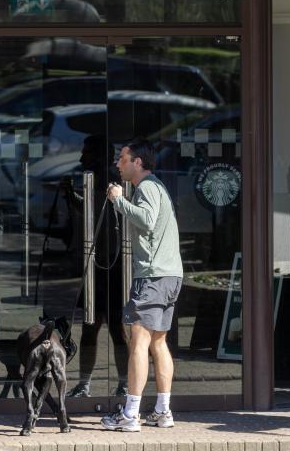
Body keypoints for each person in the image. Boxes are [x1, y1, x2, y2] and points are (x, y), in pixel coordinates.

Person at [101, 138, 182, 432]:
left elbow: (147, 221)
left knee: (139, 341)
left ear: (138, 162)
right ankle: (163, 411)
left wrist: (118, 200)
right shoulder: (157, 186)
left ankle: (130, 414)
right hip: (170, 275)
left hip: (152, 276)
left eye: (123, 158)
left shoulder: (146, 187)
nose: (117, 163)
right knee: (158, 342)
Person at [61, 134, 129, 398]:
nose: (81, 158)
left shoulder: (109, 179)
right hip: (99, 261)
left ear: (99, 155)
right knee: (92, 326)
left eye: (86, 153)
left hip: (110, 262)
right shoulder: (100, 178)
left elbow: (99, 212)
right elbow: (92, 211)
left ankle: (121, 384)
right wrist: (72, 196)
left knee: (113, 327)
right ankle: (87, 384)